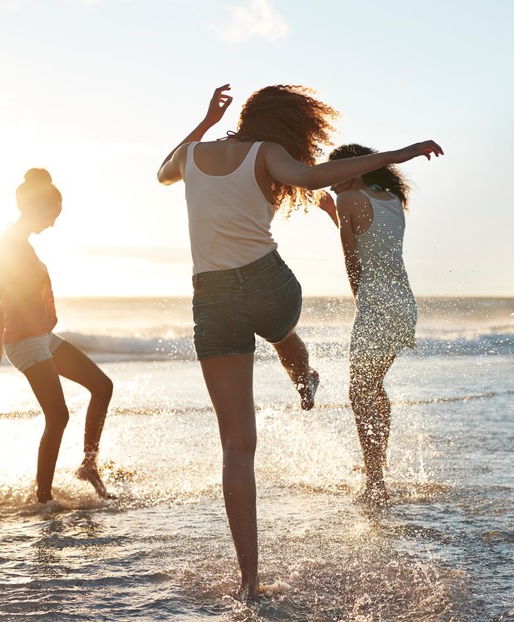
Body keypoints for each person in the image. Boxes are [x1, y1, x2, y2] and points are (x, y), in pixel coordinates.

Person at [157, 84, 443, 600]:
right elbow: (315, 178)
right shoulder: (268, 154)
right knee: (282, 331)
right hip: (271, 287)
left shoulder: (193, 154)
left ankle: (248, 580)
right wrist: (404, 153)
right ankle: (303, 371)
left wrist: (203, 121)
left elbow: (162, 173)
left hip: (213, 300)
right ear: (289, 126)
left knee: (237, 448)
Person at [0, 168, 114, 504]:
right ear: (36, 209)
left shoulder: (21, 243)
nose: (53, 223)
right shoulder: (9, 243)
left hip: (41, 336)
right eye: (52, 215)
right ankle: (43, 499)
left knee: (102, 386)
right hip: (23, 340)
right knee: (58, 415)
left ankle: (88, 465)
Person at [317, 143, 433, 507]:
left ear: (356, 171)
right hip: (403, 304)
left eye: (335, 173)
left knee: (359, 393)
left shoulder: (347, 202)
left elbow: (353, 259)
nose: (329, 180)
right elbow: (373, 243)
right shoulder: (391, 200)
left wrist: (361, 304)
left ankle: (375, 481)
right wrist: (331, 215)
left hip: (378, 307)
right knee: (373, 387)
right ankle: (376, 467)